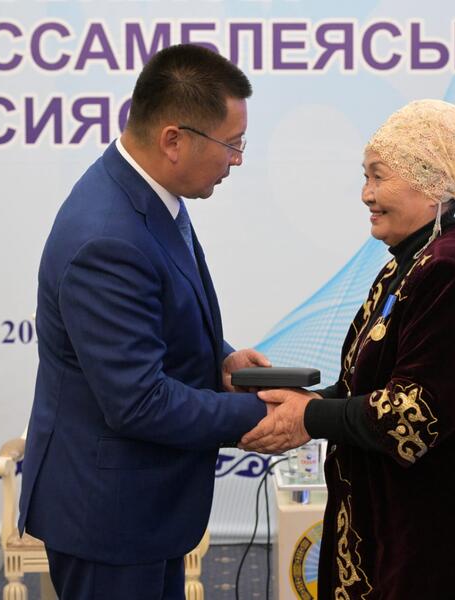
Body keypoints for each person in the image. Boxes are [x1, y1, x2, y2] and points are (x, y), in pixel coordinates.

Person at [240, 99, 455, 598]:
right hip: (428, 523)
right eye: (365, 177)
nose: (366, 195)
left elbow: (412, 415)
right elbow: (367, 386)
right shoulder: (409, 264)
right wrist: (300, 403)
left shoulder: (454, 271)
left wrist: (308, 417)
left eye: (379, 177)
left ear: (433, 182)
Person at [19, 44, 272, 600]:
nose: (237, 160)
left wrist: (222, 360)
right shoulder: (108, 236)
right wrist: (267, 413)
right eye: (231, 144)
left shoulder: (148, 193)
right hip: (108, 520)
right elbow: (138, 401)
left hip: (144, 507)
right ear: (173, 140)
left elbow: (154, 319)